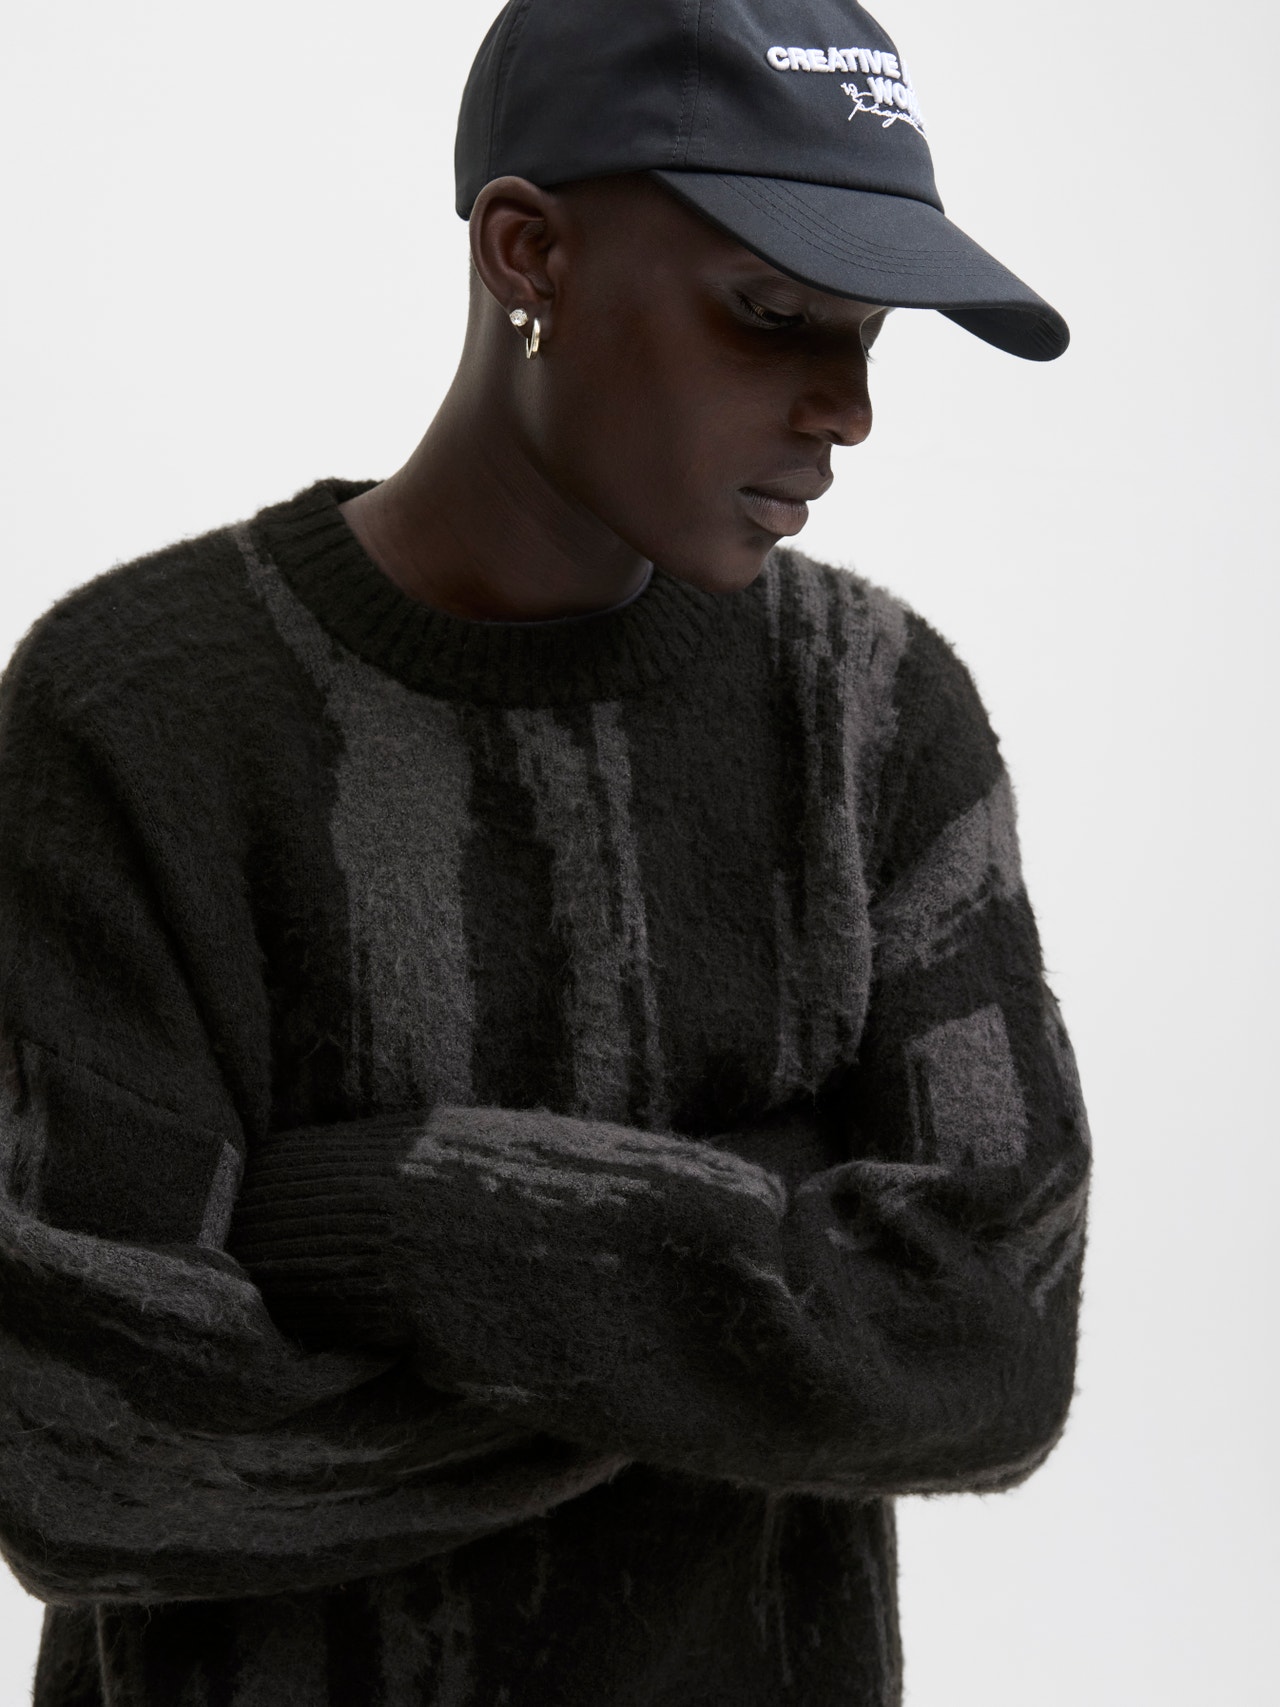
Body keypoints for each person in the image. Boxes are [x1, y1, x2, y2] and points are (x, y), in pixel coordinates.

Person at [0, 1, 1091, 1702]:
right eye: (774, 314)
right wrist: (775, 1236)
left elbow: (986, 1347)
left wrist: (393, 1215)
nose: (848, 409)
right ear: (529, 252)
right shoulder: (135, 713)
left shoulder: (873, 714)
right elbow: (90, 1456)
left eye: (874, 336)